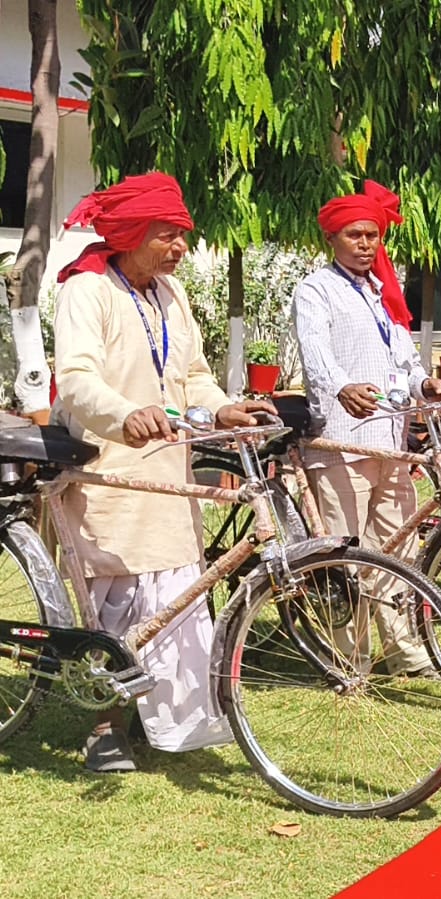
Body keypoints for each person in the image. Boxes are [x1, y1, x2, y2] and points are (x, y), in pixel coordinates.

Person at [51, 172, 274, 772]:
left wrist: (222, 407)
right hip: (109, 469)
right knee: (115, 605)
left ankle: (165, 721)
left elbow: (192, 374)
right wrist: (125, 414)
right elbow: (76, 379)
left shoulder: (171, 294)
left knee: (174, 599)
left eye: (182, 235)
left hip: (169, 472)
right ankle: (104, 726)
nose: (179, 247)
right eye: (167, 235)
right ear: (129, 233)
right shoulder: (87, 289)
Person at [291, 180, 441, 675]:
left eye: (372, 235)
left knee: (396, 549)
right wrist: (341, 386)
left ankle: (402, 649)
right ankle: (350, 656)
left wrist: (426, 384)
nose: (365, 244)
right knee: (346, 553)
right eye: (354, 235)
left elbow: (404, 361)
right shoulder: (316, 289)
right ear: (331, 238)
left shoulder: (383, 292)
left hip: (390, 440)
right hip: (341, 439)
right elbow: (315, 352)